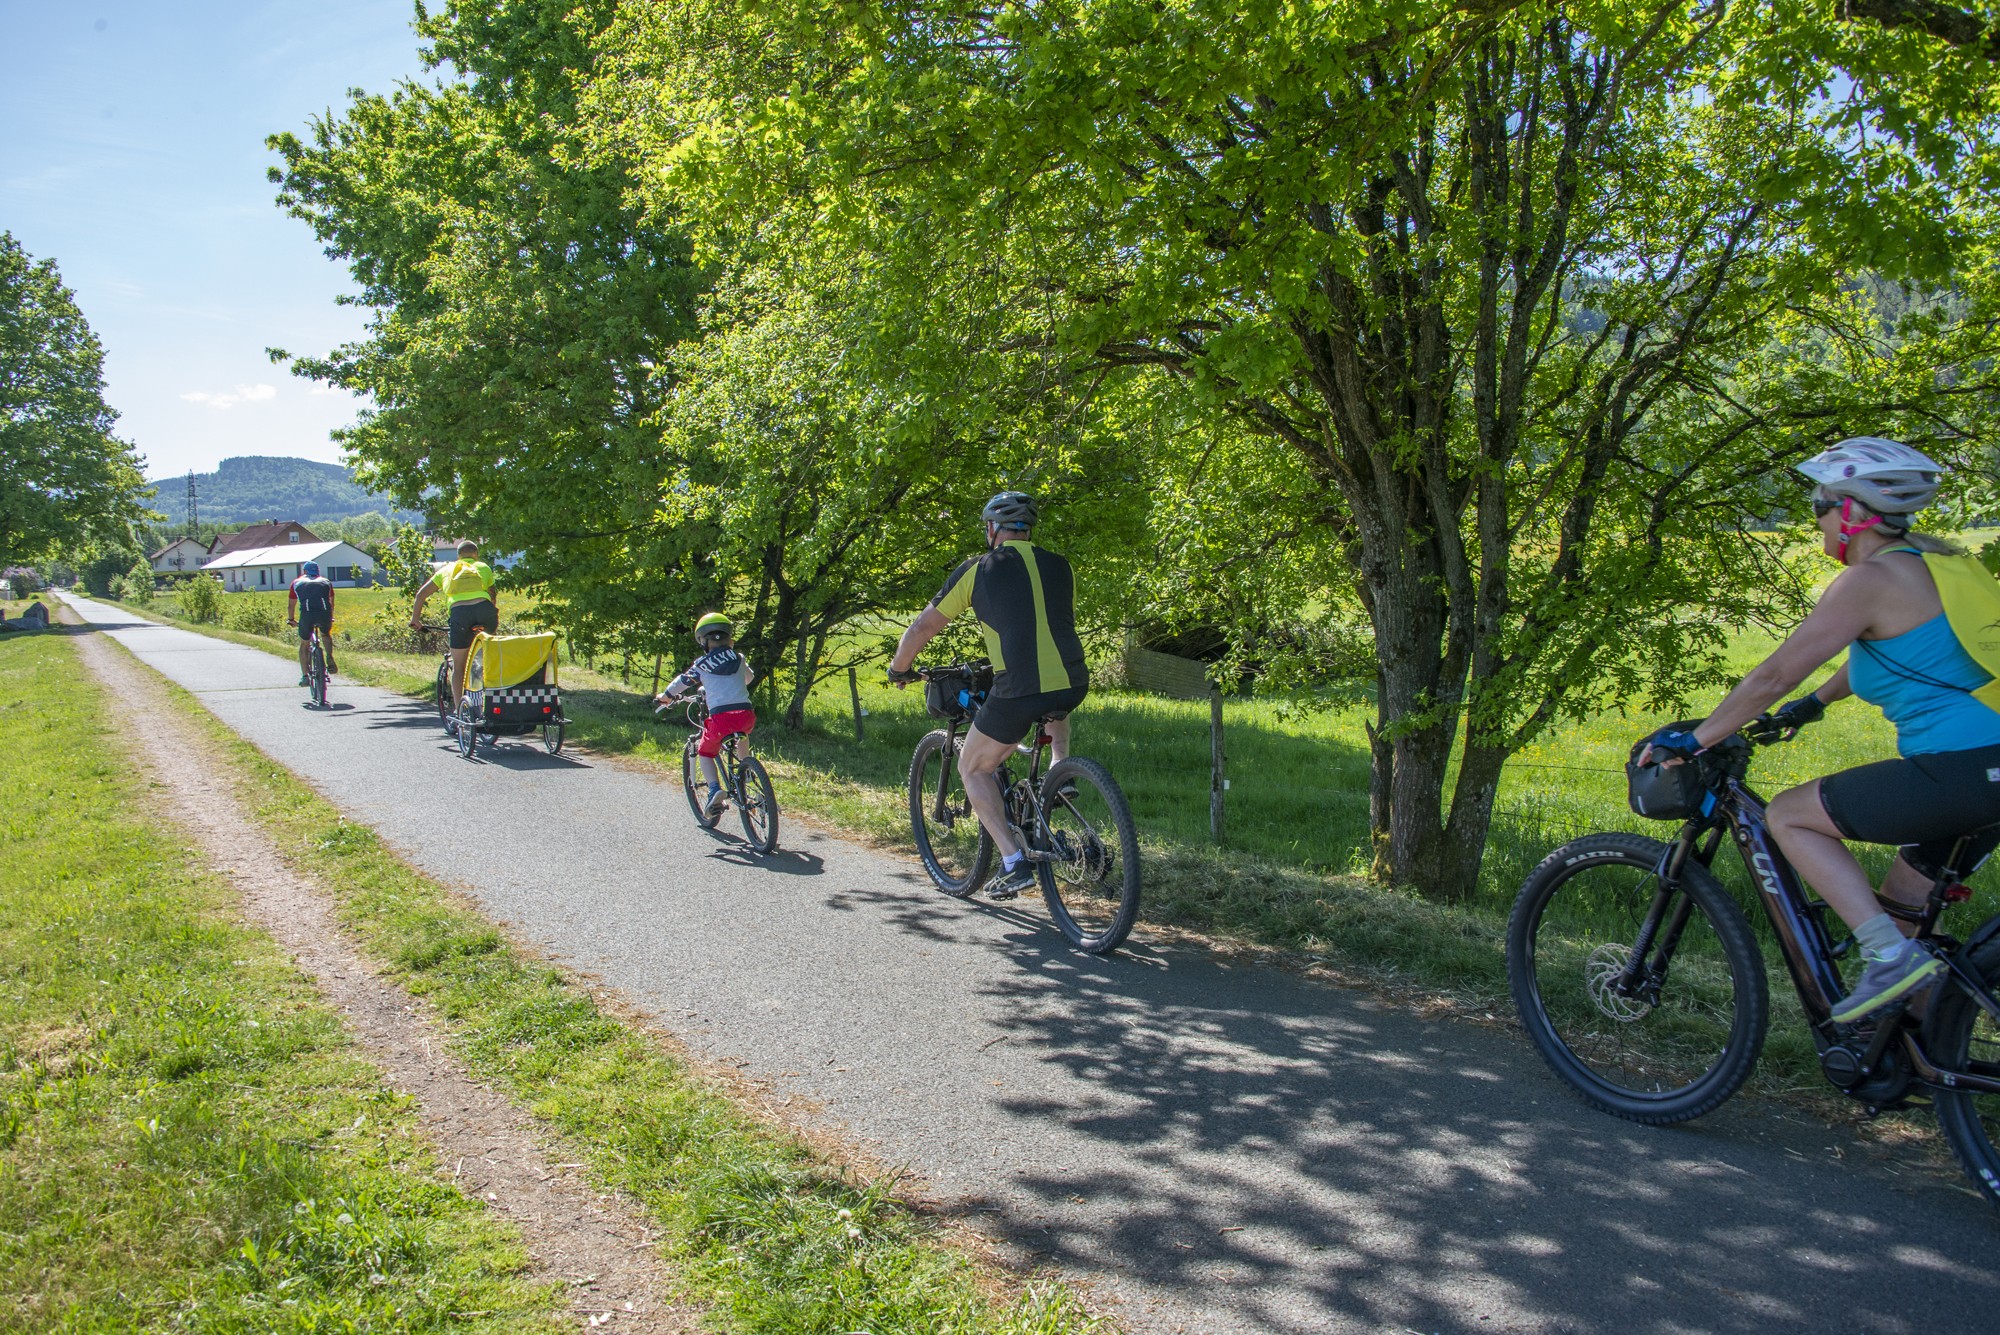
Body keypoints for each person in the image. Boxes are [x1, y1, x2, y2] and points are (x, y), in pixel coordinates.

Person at [1643, 437, 2000, 1023]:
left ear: (1855, 512)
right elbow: (1891, 654)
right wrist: (1813, 705)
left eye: (1820, 505)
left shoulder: (1868, 582)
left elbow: (1776, 672)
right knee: (1902, 909)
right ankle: (1916, 1054)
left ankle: (1887, 958)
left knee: (1788, 815)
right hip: (1987, 773)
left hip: (1962, 770)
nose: (1818, 521)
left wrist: (1695, 739)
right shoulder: (1945, 565)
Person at [886, 491, 1089, 899]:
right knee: (1053, 695)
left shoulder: (979, 569)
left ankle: (1014, 863)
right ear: (1028, 529)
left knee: (973, 767)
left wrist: (899, 668)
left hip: (1017, 690)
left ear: (993, 528)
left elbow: (924, 627)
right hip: (1073, 681)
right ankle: (1059, 770)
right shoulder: (1059, 566)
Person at [655, 612, 756, 818]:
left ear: (703, 641)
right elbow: (749, 677)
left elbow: (683, 681)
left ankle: (714, 789)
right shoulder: (738, 657)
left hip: (721, 718)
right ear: (730, 639)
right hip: (746, 714)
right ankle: (747, 771)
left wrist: (665, 696)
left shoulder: (702, 663)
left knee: (706, 752)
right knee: (743, 735)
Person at [410, 540, 498, 707]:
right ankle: (492, 704)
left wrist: (415, 620)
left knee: (459, 666)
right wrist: (491, 614)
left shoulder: (446, 570)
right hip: (486, 612)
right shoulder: (483, 567)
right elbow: (492, 594)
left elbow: (420, 595)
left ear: (458, 556)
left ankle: (460, 713)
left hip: (461, 615)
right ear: (476, 555)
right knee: (487, 658)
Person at [287, 560, 338, 684]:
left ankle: (305, 677)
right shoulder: (326, 582)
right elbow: (331, 601)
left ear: (304, 571)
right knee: (325, 634)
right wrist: (330, 616)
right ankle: (329, 656)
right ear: (317, 571)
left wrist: (291, 619)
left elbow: (291, 605)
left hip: (307, 615)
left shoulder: (296, 582)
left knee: (305, 643)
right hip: (324, 614)